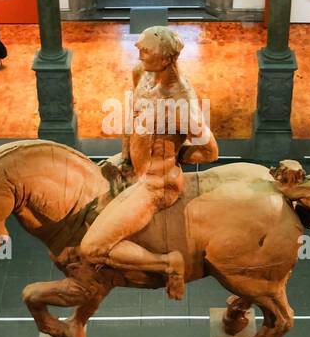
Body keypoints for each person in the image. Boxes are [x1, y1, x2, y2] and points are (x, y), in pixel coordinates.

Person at [85, 27, 218, 300]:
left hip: (156, 183)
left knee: (92, 248)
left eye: (145, 50)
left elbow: (210, 151)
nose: (137, 51)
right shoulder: (142, 74)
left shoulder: (183, 104)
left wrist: (174, 157)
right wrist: (124, 157)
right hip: (132, 165)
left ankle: (170, 264)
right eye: (140, 47)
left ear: (167, 58)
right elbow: (132, 116)